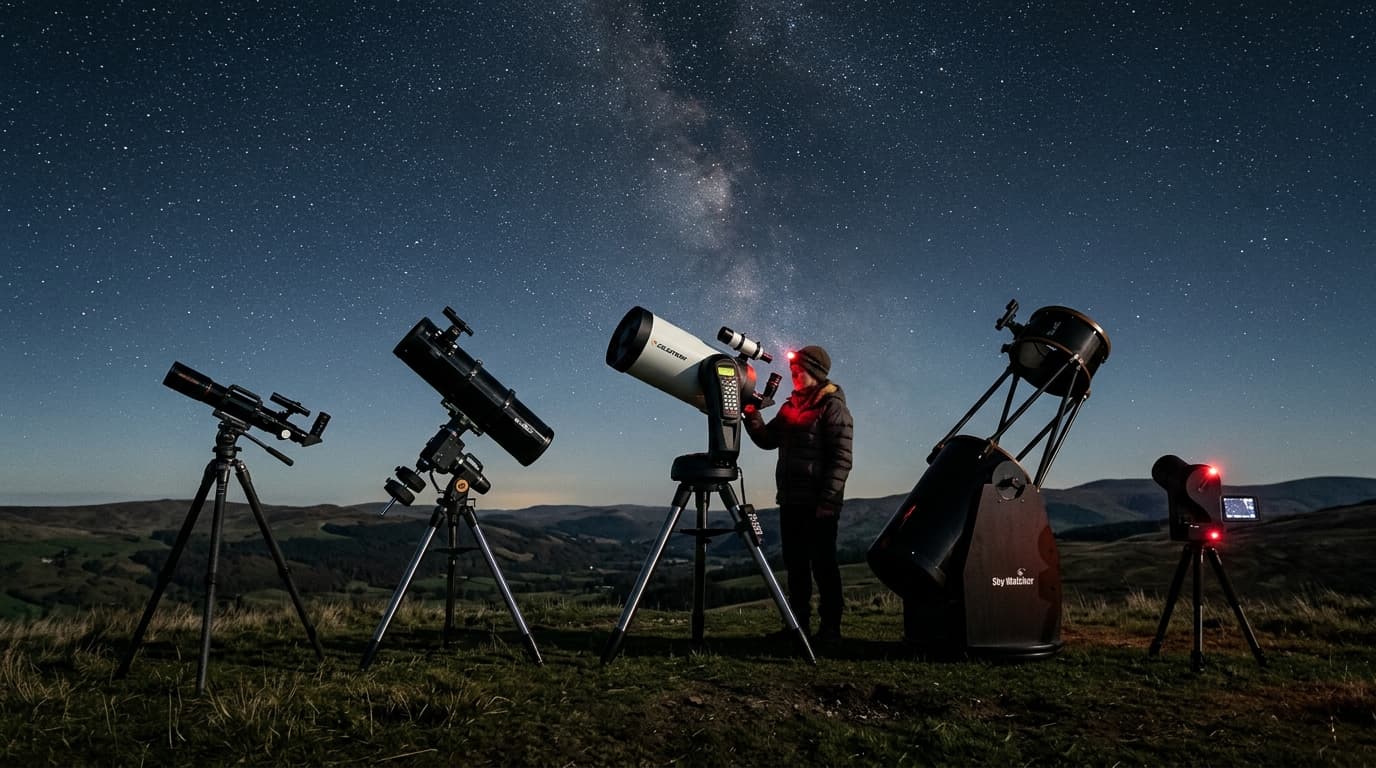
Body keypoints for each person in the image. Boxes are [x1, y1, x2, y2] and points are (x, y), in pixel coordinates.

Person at [743, 344, 854, 643]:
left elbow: (841, 460)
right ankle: (798, 625)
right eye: (792, 372)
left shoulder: (832, 408)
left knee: (824, 566)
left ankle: (831, 629)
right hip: (791, 499)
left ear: (815, 374)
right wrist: (751, 415)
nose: (793, 377)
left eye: (798, 372)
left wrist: (829, 500)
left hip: (819, 503)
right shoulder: (791, 406)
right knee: (796, 567)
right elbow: (768, 440)